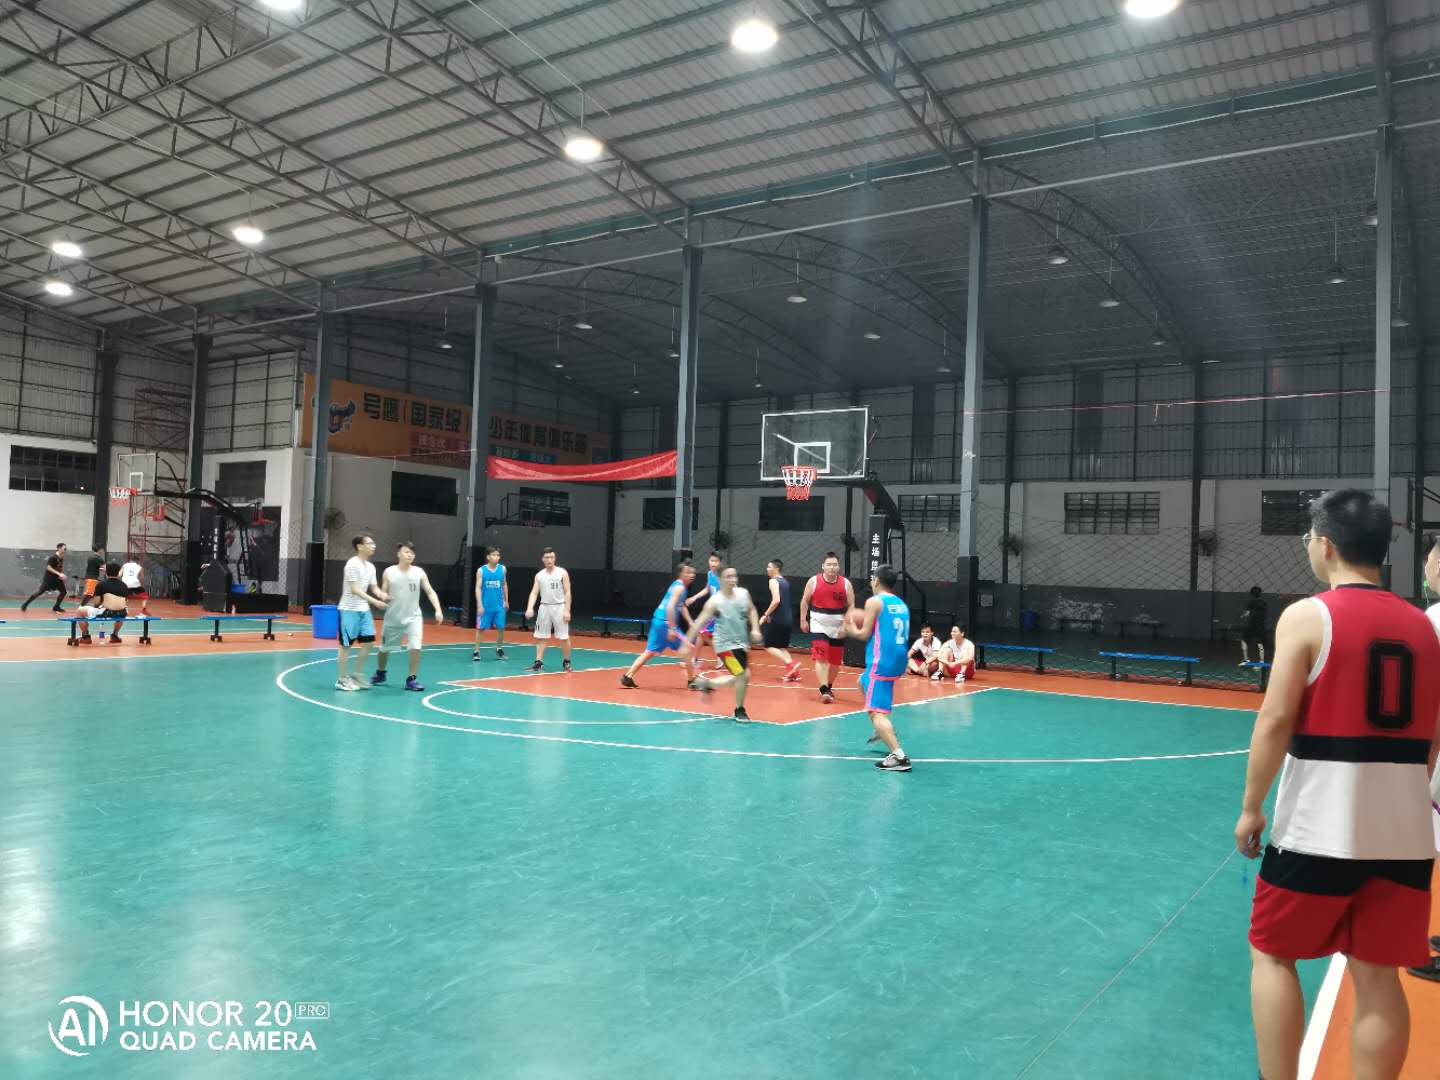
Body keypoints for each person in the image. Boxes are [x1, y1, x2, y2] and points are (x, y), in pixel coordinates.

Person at [1234, 489, 1440, 1080]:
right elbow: (1432, 737)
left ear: (1325, 546)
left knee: (1273, 956)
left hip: (1317, 830)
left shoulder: (1308, 616)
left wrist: (1251, 807)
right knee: (1377, 975)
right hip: (1405, 835)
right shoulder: (1425, 628)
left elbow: (1274, 720)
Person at [852, 564, 913, 772]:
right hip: (898, 660)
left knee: (876, 711)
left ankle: (899, 756)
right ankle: (880, 730)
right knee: (862, 682)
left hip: (881, 661)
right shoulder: (901, 604)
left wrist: (849, 627)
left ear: (876, 580)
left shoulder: (874, 601)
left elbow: (863, 634)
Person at [685, 566, 762, 722]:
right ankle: (739, 710)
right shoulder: (715, 601)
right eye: (728, 576)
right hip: (724, 646)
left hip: (741, 643)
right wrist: (685, 643)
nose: (733, 579)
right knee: (742, 675)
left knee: (743, 676)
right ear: (720, 580)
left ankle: (707, 683)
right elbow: (699, 622)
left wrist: (755, 629)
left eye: (734, 576)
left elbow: (752, 610)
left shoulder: (743, 594)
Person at [373, 541, 443, 692]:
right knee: (384, 649)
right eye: (406, 552)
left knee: (415, 647)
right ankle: (380, 673)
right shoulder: (389, 572)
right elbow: (383, 592)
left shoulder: (419, 572)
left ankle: (411, 679)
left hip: (413, 616)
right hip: (393, 617)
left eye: (412, 553)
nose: (409, 555)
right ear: (398, 554)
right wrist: (382, 598)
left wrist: (438, 610)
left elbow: (430, 591)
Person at [620, 560, 698, 689]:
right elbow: (670, 607)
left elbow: (681, 605)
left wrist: (690, 621)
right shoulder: (679, 588)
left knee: (650, 651)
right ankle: (691, 681)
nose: (692, 575)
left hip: (657, 621)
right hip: (665, 623)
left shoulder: (677, 585)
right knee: (687, 648)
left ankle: (628, 676)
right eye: (688, 572)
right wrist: (672, 628)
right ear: (681, 574)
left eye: (693, 572)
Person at [800, 551, 854, 704]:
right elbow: (804, 601)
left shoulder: (845, 584)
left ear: (838, 567)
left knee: (835, 661)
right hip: (818, 624)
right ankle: (823, 688)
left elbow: (851, 605)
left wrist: (846, 624)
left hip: (838, 625)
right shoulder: (813, 581)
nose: (832, 567)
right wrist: (803, 620)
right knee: (821, 656)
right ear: (823, 566)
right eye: (829, 564)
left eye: (835, 565)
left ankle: (829, 686)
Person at [335, 534, 387, 692]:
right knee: (346, 645)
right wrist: (375, 602)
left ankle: (356, 675)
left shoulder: (371, 567)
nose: (373, 545)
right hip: (349, 609)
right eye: (369, 543)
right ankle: (342, 679)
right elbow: (355, 589)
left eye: (373, 543)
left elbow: (374, 587)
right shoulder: (352, 564)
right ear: (360, 546)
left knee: (369, 642)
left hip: (364, 610)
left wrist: (381, 594)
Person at [525, 547, 572, 672]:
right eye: (547, 557)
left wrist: (567, 610)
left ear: (555, 558)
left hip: (560, 607)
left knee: (564, 637)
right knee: (541, 636)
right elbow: (534, 593)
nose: (549, 560)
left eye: (552, 557)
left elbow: (567, 592)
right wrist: (529, 608)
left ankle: (567, 661)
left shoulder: (562, 573)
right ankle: (538, 662)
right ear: (543, 559)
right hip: (544, 607)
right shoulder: (539, 575)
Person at [758, 558, 803, 682]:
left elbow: (776, 600)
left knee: (768, 646)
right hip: (788, 619)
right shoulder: (785, 582)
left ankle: (791, 664)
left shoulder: (773, 581)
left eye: (769, 567)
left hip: (778, 619)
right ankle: (795, 673)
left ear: (776, 568)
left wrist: (765, 615)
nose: (767, 569)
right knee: (782, 647)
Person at [685, 552, 724, 668]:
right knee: (701, 633)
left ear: (720, 563)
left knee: (701, 631)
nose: (713, 563)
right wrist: (694, 597)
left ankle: (720, 656)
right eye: (711, 560)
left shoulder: (723, 576)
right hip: (712, 609)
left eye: (716, 561)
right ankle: (696, 659)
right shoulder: (710, 574)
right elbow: (707, 589)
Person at [74, 561, 128, 644]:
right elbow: (125, 601)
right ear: (118, 573)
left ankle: (85, 637)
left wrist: (103, 604)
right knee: (121, 612)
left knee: (79, 611)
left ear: (106, 572)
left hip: (105, 612)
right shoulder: (124, 585)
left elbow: (96, 602)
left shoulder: (101, 584)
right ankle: (115, 635)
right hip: (122, 613)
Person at [473, 546, 509, 661]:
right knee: (480, 629)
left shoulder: (502, 569)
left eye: (498, 555)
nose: (496, 557)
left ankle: (499, 649)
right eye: (494, 555)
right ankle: (476, 651)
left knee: (501, 628)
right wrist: (479, 605)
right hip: (485, 606)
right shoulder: (481, 571)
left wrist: (506, 600)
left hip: (499, 605)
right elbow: (478, 588)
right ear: (488, 557)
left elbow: (504, 584)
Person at [21, 542, 68, 613]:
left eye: (65, 548)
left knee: (63, 592)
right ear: (59, 548)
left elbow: (59, 568)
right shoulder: (53, 557)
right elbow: (48, 567)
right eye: (64, 548)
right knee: (40, 592)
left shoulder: (61, 558)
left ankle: (56, 607)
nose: (65, 549)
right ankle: (25, 604)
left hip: (57, 579)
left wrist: (61, 575)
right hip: (49, 579)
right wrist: (58, 573)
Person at [1240, 585, 1268, 666]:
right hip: (1261, 626)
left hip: (1252, 625)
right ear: (1260, 593)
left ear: (1252, 594)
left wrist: (1242, 615)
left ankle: (1246, 660)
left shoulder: (1251, 602)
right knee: (1260, 643)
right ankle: (1262, 661)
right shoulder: (1264, 603)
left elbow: (1247, 613)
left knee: (1244, 640)